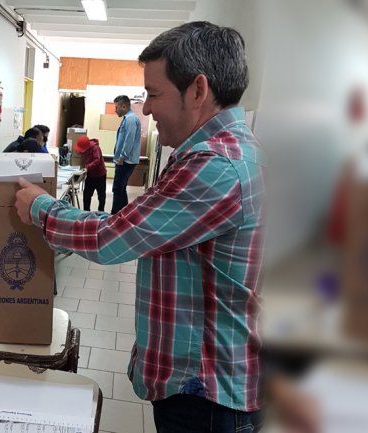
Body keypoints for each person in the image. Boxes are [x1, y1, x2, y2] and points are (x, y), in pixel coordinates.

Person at [14, 21, 266, 433]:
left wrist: (40, 208)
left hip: (207, 394)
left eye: (153, 94)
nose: (145, 109)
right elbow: (130, 224)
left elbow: (112, 239)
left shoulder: (215, 165)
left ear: (198, 91)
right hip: (205, 382)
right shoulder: (220, 151)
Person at [110, 95, 141, 214]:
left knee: (117, 188)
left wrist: (122, 157)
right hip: (124, 160)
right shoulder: (128, 119)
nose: (115, 110)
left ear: (124, 106)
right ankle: (124, 214)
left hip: (125, 160)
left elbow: (129, 139)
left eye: (116, 107)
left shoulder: (130, 119)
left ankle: (114, 215)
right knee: (121, 188)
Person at [73, 135, 107, 212]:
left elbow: (97, 160)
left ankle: (101, 211)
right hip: (90, 175)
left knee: (101, 195)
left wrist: (87, 167)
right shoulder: (84, 149)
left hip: (100, 175)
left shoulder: (95, 148)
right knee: (87, 195)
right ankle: (86, 211)